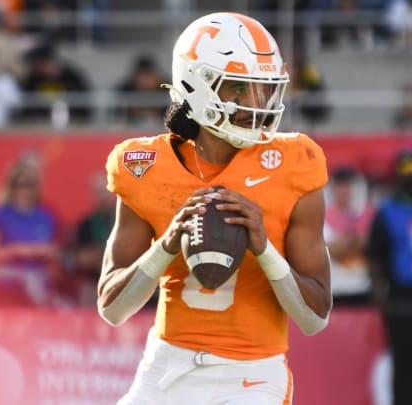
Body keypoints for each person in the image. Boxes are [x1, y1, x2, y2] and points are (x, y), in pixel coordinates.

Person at [97, 13, 332, 404]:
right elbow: (112, 308)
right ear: (197, 87)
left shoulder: (295, 161)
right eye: (240, 89)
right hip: (166, 368)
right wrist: (166, 245)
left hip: (253, 374)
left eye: (263, 89)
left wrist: (263, 247)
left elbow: (315, 318)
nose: (257, 104)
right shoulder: (143, 165)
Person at [0, 151, 60, 306]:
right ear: (12, 185)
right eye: (21, 185)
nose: (25, 191)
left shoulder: (46, 215)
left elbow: (54, 254)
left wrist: (49, 254)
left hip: (39, 280)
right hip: (8, 283)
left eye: (31, 185)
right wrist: (17, 250)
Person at [366, 150, 412, 405]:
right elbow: (374, 257)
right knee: (403, 364)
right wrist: (381, 297)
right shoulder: (387, 213)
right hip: (401, 300)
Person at [324, 167, 375, 305]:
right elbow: (326, 250)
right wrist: (356, 240)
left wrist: (345, 242)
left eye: (348, 185)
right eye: (340, 185)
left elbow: (373, 244)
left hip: (363, 287)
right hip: (335, 289)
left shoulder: (369, 214)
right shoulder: (322, 217)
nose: (345, 190)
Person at [70, 171, 116, 306]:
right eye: (99, 192)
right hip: (93, 282)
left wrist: (100, 254)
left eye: (106, 191)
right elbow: (82, 258)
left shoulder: (125, 221)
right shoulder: (85, 224)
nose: (103, 197)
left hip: (122, 279)